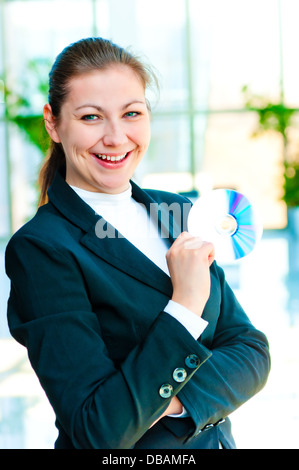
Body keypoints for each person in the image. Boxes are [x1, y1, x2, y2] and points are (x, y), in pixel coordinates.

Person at [5, 37, 270, 449]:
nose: (115, 137)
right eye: (91, 117)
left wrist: (164, 402)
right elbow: (99, 430)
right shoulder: (42, 248)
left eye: (131, 113)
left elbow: (252, 352)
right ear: (53, 123)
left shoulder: (178, 212)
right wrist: (184, 306)